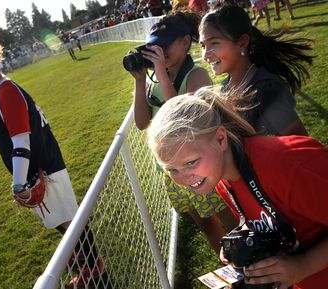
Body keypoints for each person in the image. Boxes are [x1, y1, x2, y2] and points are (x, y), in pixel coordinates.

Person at [147, 89, 328, 289]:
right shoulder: (223, 178)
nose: (183, 177)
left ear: (221, 139)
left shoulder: (286, 165)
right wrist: (240, 240)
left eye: (191, 162)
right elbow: (267, 215)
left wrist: (303, 266)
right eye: (171, 169)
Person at [0, 42, 103, 288]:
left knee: (68, 220)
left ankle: (94, 268)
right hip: (40, 167)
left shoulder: (6, 92)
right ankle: (81, 257)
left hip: (42, 169)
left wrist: (18, 183)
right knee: (61, 219)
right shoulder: (1, 91)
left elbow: (21, 140)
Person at [129, 11, 237, 253]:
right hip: (173, 170)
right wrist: (139, 80)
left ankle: (252, 258)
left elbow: (183, 117)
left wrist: (160, 75)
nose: (160, 52)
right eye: (154, 47)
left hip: (199, 164)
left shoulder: (196, 75)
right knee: (205, 224)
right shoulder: (154, 80)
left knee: (231, 220)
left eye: (165, 45)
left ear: (186, 42)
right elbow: (141, 122)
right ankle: (231, 264)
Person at [199, 2, 313, 136]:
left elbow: (302, 147)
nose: (205, 54)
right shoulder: (225, 87)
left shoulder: (265, 91)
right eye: (202, 46)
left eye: (214, 43)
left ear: (242, 43)